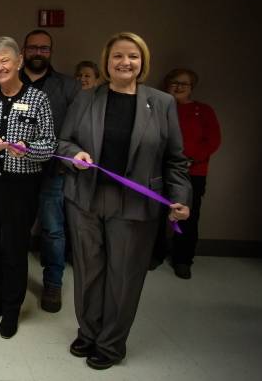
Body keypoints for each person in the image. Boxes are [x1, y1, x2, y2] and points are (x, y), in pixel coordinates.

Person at [58, 32, 191, 370]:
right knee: (88, 272)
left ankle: (112, 343)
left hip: (135, 205)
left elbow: (176, 160)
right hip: (86, 198)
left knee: (124, 277)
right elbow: (63, 142)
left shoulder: (161, 103)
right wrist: (75, 155)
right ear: (107, 61)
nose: (125, 62)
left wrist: (179, 198)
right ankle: (88, 332)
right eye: (118, 56)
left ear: (142, 61)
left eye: (132, 56)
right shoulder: (86, 98)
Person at [0, 36, 55, 338]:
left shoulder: (39, 99)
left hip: (20, 186)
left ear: (18, 61)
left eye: (5, 60)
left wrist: (27, 147)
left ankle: (11, 308)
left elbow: (49, 144)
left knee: (14, 248)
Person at [20, 29, 79, 313]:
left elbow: (73, 132)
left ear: (51, 52)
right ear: (23, 52)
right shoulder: (10, 81)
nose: (38, 53)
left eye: (44, 48)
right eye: (33, 48)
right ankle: (13, 280)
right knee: (15, 228)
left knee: (53, 230)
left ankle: (53, 284)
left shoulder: (68, 87)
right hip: (15, 172)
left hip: (51, 171)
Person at [158, 68, 221, 279]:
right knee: (156, 214)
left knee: (187, 218)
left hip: (193, 171)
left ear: (192, 87)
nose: (178, 87)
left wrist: (188, 159)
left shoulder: (203, 110)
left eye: (184, 83)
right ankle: (154, 254)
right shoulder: (159, 107)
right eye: (175, 82)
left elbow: (213, 140)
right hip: (159, 170)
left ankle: (183, 259)